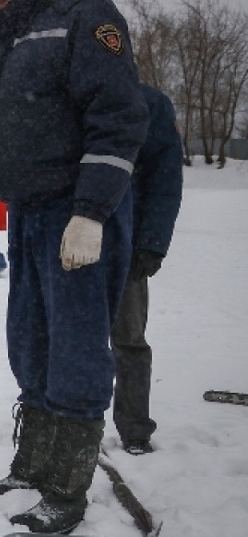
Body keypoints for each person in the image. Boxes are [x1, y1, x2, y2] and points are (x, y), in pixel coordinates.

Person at [0, 0, 148, 534]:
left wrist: (91, 214)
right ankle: (31, 467)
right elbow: (29, 120)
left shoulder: (85, 17)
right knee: (30, 342)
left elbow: (117, 118)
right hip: (27, 216)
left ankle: (66, 488)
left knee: (77, 347)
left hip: (74, 212)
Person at [113, 84, 184, 456]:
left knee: (129, 340)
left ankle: (135, 429)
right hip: (70, 238)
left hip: (127, 244)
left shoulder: (149, 104)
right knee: (65, 340)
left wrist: (152, 242)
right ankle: (66, 424)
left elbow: (166, 177)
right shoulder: (68, 95)